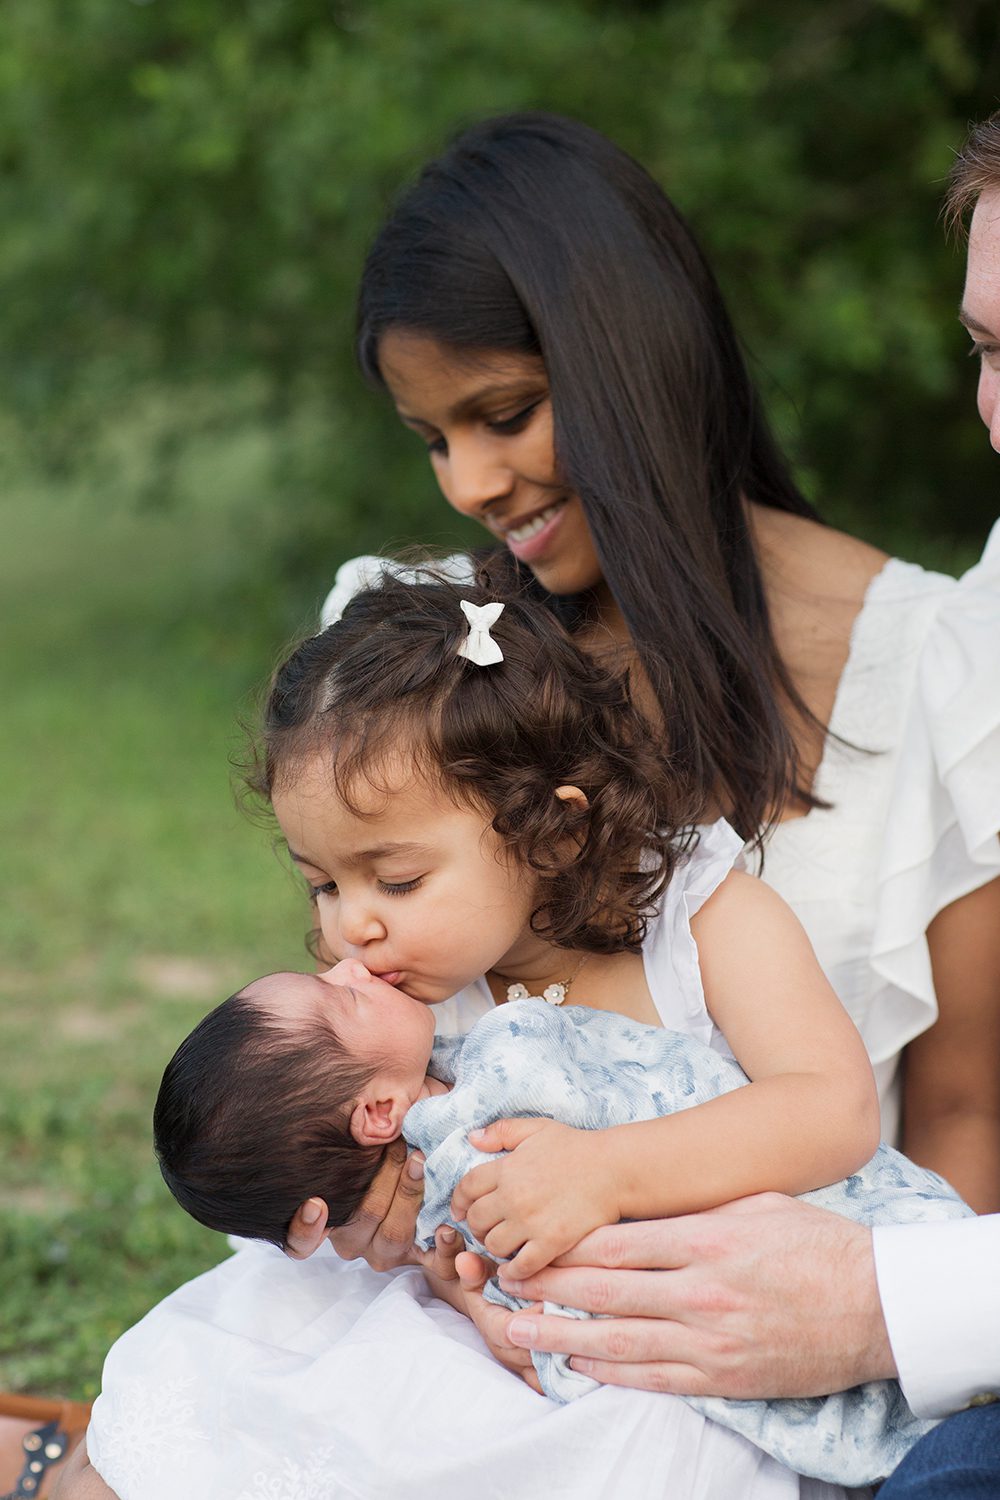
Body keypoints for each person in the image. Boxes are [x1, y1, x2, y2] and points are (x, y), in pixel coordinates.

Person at [57, 113, 1000, 1499]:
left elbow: (964, 1116)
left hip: (747, 1344)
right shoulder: (415, 669)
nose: (471, 484)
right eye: (430, 437)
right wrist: (407, 1224)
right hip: (476, 1312)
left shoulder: (942, 668)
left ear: (637, 364)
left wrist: (879, 1365)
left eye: (502, 415)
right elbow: (385, 1035)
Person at [154, 942, 970, 1488]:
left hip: (824, 1244)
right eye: (338, 1001)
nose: (351, 964)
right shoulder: (491, 1102)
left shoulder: (462, 1115)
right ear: (375, 1110)